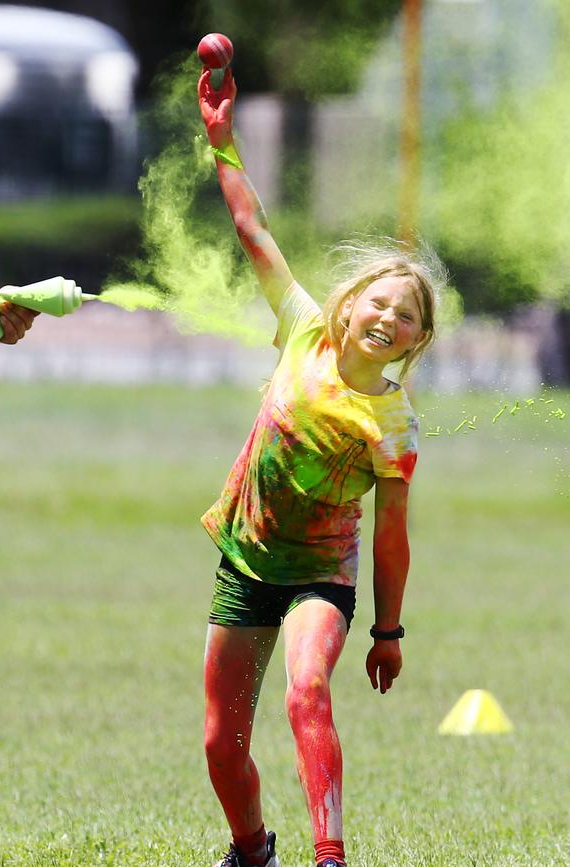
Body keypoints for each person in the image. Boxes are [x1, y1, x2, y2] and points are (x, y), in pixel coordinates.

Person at [198, 66, 442, 867]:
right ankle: (250, 849)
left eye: (406, 317)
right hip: (246, 564)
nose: (389, 317)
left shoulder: (394, 423)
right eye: (381, 302)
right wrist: (222, 139)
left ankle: (330, 856)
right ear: (348, 303)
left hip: (319, 580)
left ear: (414, 342)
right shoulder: (302, 329)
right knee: (221, 747)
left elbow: (393, 540)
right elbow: (253, 231)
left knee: (307, 688)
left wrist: (388, 630)